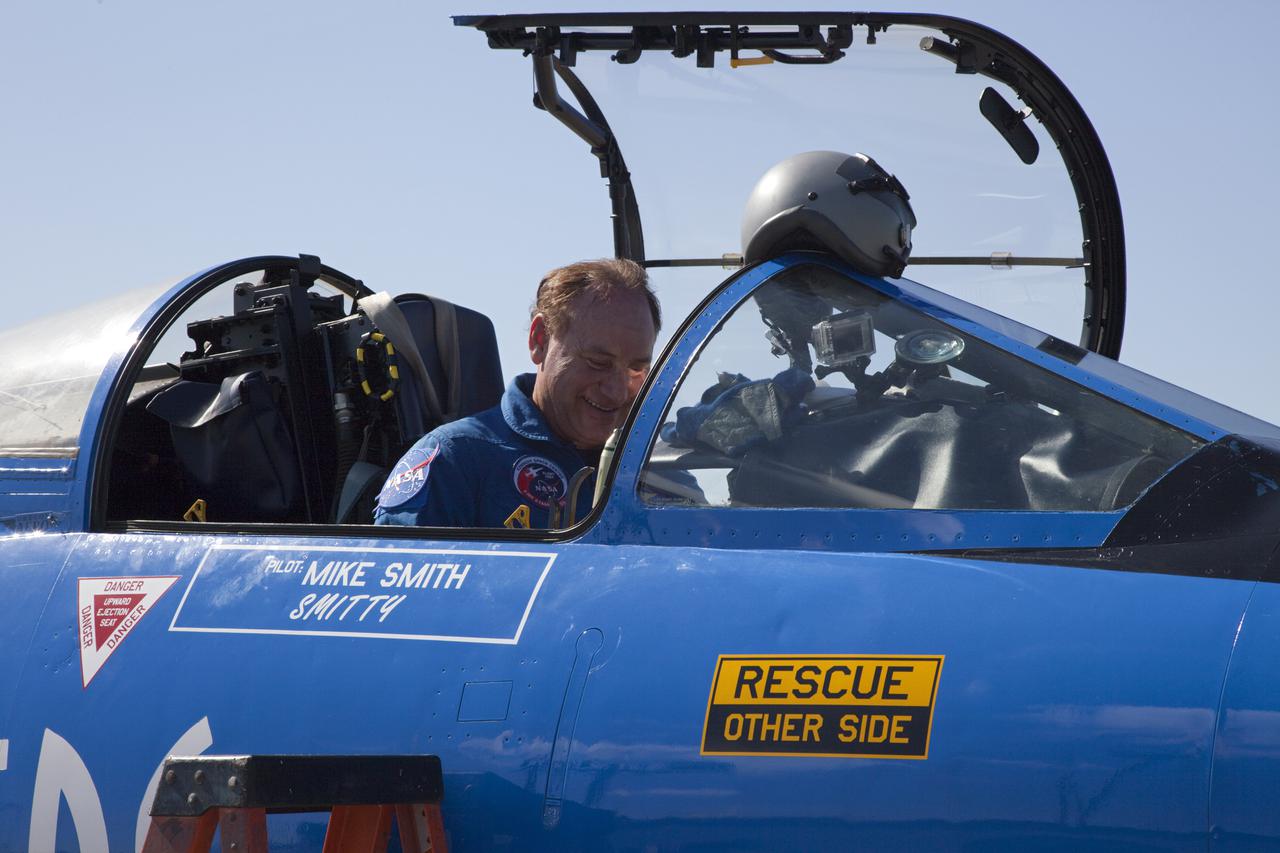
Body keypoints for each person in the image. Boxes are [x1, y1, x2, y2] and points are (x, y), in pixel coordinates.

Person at [374, 258, 660, 528]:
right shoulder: (454, 462)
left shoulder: (656, 478)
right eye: (598, 363)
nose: (617, 391)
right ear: (540, 340)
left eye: (637, 369)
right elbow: (399, 575)